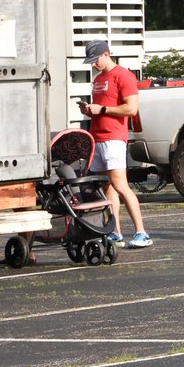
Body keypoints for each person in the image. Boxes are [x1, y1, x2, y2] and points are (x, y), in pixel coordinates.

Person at [78, 40, 152, 248]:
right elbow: (103, 106)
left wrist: (101, 110)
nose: (94, 65)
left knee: (120, 184)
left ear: (106, 54)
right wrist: (88, 110)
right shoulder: (99, 79)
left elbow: (131, 109)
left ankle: (141, 232)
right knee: (107, 186)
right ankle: (115, 233)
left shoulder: (124, 76)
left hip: (114, 137)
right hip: (97, 137)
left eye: (95, 60)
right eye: (91, 62)